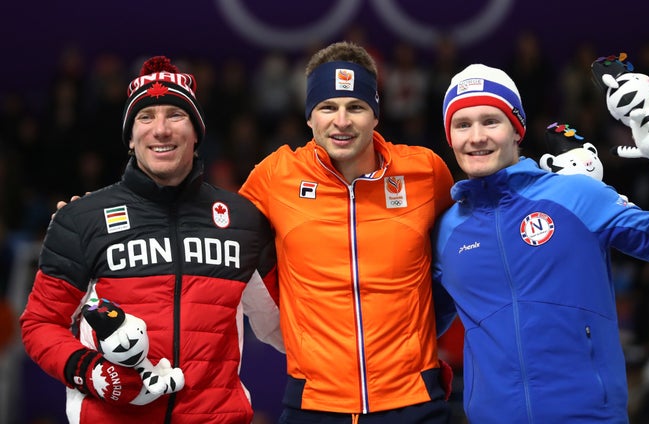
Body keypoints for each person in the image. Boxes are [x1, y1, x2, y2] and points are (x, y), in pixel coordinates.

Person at [19, 56, 283, 423]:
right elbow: (39, 324)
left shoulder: (242, 221)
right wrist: (89, 370)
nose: (161, 130)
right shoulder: (81, 220)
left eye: (175, 115)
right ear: (130, 137)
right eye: (145, 118)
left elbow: (285, 326)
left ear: (196, 133)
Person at [432, 63, 649, 423]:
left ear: (516, 130)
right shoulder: (448, 229)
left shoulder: (576, 194)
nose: (476, 136)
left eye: (490, 121)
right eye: (462, 125)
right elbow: (423, 325)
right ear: (450, 137)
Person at [238, 41, 457, 423]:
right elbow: (213, 227)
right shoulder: (276, 176)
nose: (342, 121)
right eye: (328, 107)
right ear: (309, 117)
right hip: (313, 403)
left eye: (356, 107)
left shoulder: (425, 172)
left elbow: (467, 243)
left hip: (414, 400)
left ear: (375, 114)